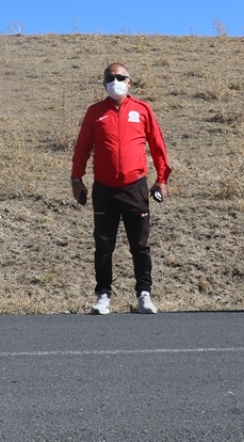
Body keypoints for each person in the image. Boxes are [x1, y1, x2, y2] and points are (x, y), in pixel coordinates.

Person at [71, 62, 170, 315]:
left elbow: (157, 146)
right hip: (104, 189)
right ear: (104, 82)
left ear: (130, 82)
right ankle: (103, 295)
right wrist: (76, 179)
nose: (114, 81)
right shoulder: (95, 112)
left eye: (120, 77)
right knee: (104, 245)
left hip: (135, 187)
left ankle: (144, 294)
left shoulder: (142, 110)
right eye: (109, 77)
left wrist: (162, 179)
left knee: (140, 244)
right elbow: (82, 147)